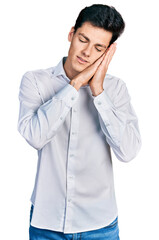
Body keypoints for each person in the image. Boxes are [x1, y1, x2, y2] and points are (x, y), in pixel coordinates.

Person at [17, 4, 141, 240]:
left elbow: (128, 151)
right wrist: (74, 86)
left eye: (98, 48)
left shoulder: (115, 89)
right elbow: (35, 137)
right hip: (47, 224)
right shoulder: (35, 81)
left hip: (100, 226)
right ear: (71, 34)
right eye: (83, 39)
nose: (86, 52)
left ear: (107, 53)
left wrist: (98, 92)